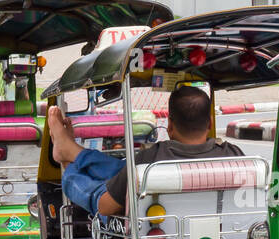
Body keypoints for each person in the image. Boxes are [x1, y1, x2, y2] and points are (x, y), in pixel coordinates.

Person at [47, 84, 244, 218]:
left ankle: (69, 161)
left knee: (100, 191)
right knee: (125, 171)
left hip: (154, 236)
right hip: (219, 233)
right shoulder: (234, 156)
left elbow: (105, 207)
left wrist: (72, 173)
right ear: (210, 123)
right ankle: (71, 150)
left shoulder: (152, 160)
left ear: (169, 126)